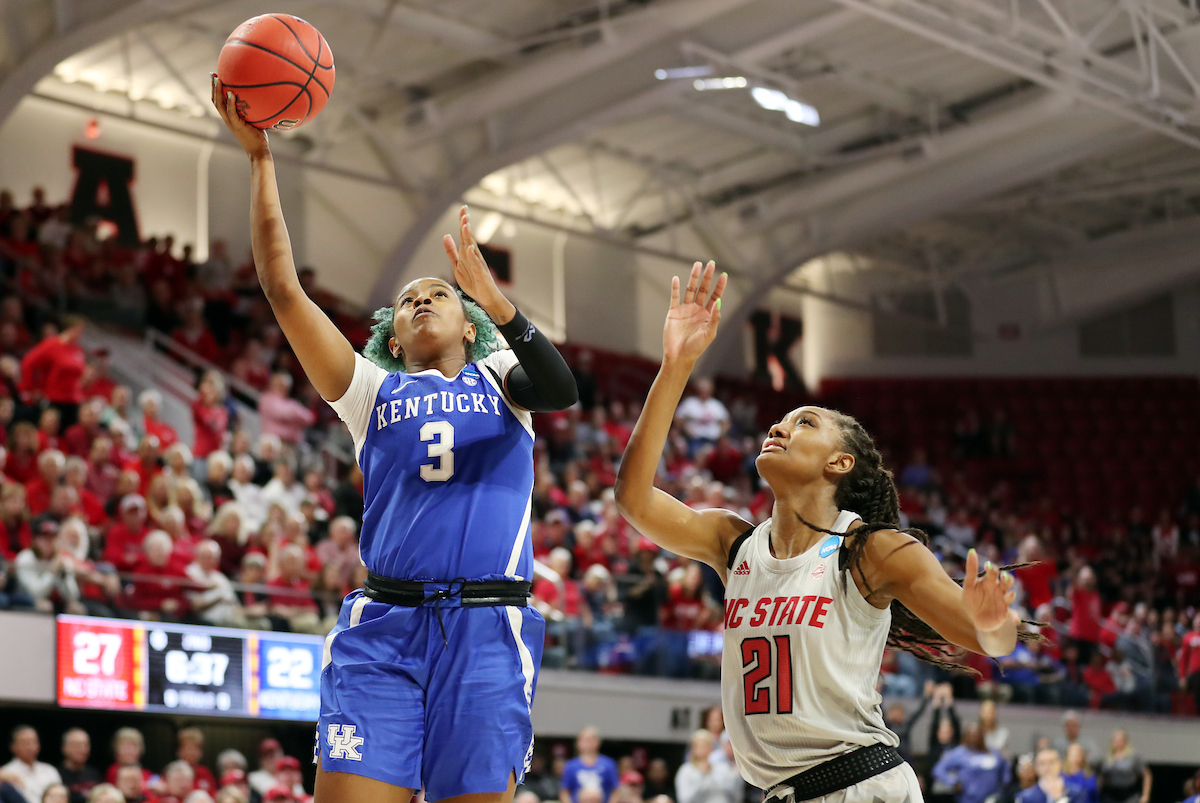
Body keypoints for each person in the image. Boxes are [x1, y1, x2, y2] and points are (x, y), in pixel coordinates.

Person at [211, 74, 576, 803]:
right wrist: (259, 162)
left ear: (469, 324)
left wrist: (498, 301)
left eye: (437, 293)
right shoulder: (371, 392)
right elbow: (283, 289)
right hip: (386, 624)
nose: (419, 301)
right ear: (394, 332)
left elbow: (562, 389)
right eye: (407, 299)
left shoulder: (503, 376)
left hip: (485, 625)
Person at [614, 261, 1027, 803]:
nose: (779, 426)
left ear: (840, 463)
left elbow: (987, 640)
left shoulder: (871, 550)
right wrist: (676, 363)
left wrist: (996, 623)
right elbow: (633, 498)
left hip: (859, 786)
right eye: (781, 420)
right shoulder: (734, 542)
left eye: (804, 421)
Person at [931, 722, 1009, 803]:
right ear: (966, 736)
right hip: (968, 799)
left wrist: (1001, 788)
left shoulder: (993, 753)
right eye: (971, 735)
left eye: (977, 734)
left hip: (991, 799)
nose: (974, 738)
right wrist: (953, 782)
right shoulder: (960, 753)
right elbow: (938, 769)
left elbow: (1005, 773)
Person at [674, 730, 741, 803]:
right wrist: (702, 776)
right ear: (693, 748)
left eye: (707, 745)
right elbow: (684, 799)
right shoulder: (686, 771)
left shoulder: (723, 768)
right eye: (700, 745)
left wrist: (736, 776)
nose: (704, 748)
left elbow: (735, 794)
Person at [1, 726, 62, 803]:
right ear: (13, 746)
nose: (30, 746)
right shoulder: (5, 773)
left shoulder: (49, 770)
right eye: (24, 743)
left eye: (33, 742)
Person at [559, 728, 618, 803]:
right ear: (578, 743)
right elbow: (564, 792)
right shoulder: (571, 766)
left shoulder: (608, 764)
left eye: (592, 740)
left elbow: (615, 791)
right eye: (585, 740)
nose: (588, 743)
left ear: (598, 742)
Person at [1016, 749, 1087, 803]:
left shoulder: (1077, 793)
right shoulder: (1025, 797)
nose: (1047, 767)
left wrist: (1059, 798)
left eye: (1051, 762)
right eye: (1042, 763)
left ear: (1060, 764)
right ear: (1036, 768)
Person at [1096, 731, 1149, 803]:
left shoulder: (1133, 757)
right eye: (1115, 740)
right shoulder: (1106, 758)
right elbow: (1100, 777)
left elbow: (1147, 775)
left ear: (1125, 742)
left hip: (1128, 795)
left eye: (1120, 740)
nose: (1118, 743)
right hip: (1110, 795)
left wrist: (1145, 795)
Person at [56, 729, 101, 803]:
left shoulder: (95, 774)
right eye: (77, 745)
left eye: (85, 745)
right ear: (64, 748)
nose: (82, 749)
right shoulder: (56, 775)